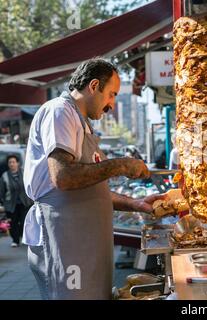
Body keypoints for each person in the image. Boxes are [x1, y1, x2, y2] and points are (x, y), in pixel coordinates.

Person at [23, 58, 166, 300]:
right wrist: (120, 165)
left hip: (82, 246)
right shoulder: (60, 112)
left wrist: (135, 204)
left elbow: (87, 188)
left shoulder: (83, 123)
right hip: (64, 242)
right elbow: (64, 177)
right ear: (93, 85)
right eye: (111, 94)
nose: (112, 104)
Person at [0, 154, 33, 247]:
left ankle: (24, 237)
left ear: (18, 163)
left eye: (13, 162)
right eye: (10, 162)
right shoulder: (5, 176)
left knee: (24, 222)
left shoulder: (24, 172)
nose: (12, 164)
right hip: (11, 204)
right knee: (13, 223)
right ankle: (15, 240)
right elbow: (1, 191)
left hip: (25, 203)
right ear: (8, 164)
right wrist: (2, 203)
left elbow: (30, 186)